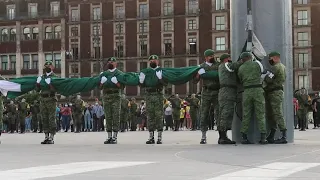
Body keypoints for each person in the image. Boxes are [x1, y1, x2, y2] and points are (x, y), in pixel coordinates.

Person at [237, 52, 267, 144]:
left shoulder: (241, 68)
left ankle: (244, 137)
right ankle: (263, 137)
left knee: (246, 114)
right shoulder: (257, 64)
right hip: (258, 90)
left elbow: (240, 79)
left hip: (246, 91)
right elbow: (263, 73)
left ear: (243, 59)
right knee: (260, 113)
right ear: (250, 57)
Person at [139, 55, 166, 144]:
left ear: (158, 61)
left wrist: (160, 78)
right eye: (151, 61)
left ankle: (159, 137)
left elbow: (165, 83)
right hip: (149, 95)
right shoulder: (146, 72)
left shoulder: (161, 71)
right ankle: (151, 137)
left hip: (158, 94)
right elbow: (142, 85)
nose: (152, 62)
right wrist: (141, 82)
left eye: (154, 60)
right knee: (150, 116)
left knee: (159, 116)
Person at [194, 49, 220, 144]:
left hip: (217, 91)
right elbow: (195, 81)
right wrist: (198, 75)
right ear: (206, 57)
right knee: (204, 113)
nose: (212, 57)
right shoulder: (201, 66)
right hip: (206, 92)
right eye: (210, 56)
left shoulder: (218, 65)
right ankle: (203, 135)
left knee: (219, 113)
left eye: (213, 55)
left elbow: (221, 76)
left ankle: (221, 134)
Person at [217, 53, 243, 144]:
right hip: (227, 92)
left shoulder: (222, 66)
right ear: (226, 59)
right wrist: (242, 60)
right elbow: (232, 66)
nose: (230, 59)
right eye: (229, 58)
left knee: (224, 114)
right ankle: (223, 136)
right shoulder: (225, 65)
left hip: (227, 92)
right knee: (226, 114)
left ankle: (223, 136)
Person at [263, 51, 287, 144]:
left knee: (277, 113)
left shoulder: (276, 67)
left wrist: (265, 75)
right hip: (275, 92)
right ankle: (272, 135)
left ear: (276, 58)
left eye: (271, 58)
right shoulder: (282, 67)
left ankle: (283, 135)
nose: (269, 60)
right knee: (272, 114)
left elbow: (269, 79)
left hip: (274, 92)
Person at [99, 57, 125, 144]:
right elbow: (99, 87)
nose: (111, 63)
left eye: (112, 62)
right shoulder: (104, 74)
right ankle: (109, 136)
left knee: (115, 116)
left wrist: (117, 83)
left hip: (116, 96)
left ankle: (115, 136)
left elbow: (122, 87)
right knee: (108, 116)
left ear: (116, 63)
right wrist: (101, 82)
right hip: (106, 96)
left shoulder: (119, 73)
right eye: (109, 62)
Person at [36, 60, 58, 144]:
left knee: (51, 118)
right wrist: (37, 84)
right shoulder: (42, 77)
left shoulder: (55, 77)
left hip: (51, 99)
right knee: (44, 118)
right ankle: (46, 136)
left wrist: (50, 84)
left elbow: (55, 90)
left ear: (52, 67)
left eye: (49, 67)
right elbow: (38, 90)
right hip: (43, 100)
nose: (47, 68)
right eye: (46, 67)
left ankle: (51, 137)